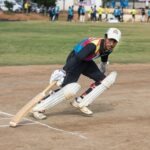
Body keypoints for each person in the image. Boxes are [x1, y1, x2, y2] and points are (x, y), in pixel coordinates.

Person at [32, 28, 121, 119]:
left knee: (103, 80)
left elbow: (104, 57)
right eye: (110, 40)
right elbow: (78, 58)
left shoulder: (109, 48)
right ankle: (38, 107)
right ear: (105, 37)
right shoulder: (93, 46)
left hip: (86, 61)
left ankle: (80, 101)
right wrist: (63, 71)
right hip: (75, 60)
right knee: (67, 89)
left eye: (114, 41)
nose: (111, 43)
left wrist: (102, 68)